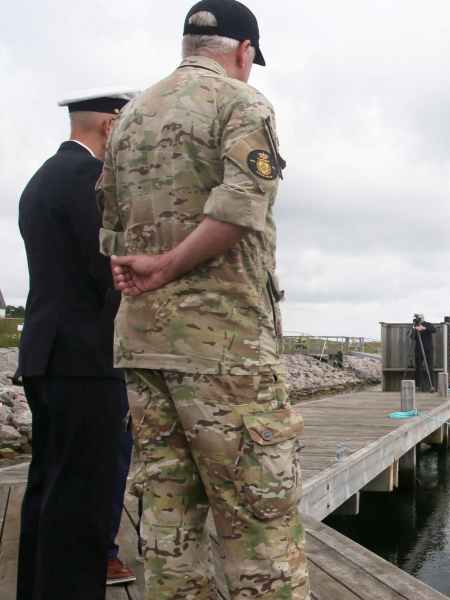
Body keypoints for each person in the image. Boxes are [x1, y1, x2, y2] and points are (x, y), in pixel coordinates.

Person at [98, 1, 308, 597]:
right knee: (260, 521)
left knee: (167, 519)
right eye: (251, 60)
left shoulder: (131, 115)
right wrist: (167, 266)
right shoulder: (241, 103)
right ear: (244, 52)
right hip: (225, 348)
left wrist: (143, 269)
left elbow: (110, 228)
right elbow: (243, 206)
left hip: (143, 343)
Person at [16, 87, 138, 600]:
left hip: (46, 354)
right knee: (84, 496)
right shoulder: (90, 181)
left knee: (46, 486)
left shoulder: (41, 179)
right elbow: (105, 271)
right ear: (111, 126)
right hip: (86, 360)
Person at [410, 315, 437, 392]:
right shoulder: (415, 326)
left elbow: (434, 330)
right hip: (418, 349)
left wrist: (423, 328)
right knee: (418, 368)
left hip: (428, 349)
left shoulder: (427, 324)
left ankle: (432, 386)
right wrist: (415, 329)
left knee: (430, 367)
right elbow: (412, 337)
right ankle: (417, 386)